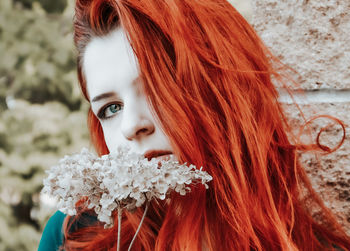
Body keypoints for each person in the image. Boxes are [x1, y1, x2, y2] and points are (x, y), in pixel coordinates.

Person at [39, 0, 350, 250]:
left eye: (157, 90)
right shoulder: (72, 237)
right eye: (110, 108)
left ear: (224, 93)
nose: (131, 126)